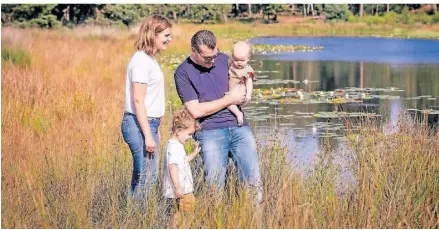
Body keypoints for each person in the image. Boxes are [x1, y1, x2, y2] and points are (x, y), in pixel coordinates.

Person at [174, 30, 263, 204]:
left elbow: (243, 81)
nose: (213, 60)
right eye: (208, 58)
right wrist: (228, 99)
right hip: (209, 131)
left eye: (215, 55)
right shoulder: (183, 73)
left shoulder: (224, 59)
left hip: (239, 127)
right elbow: (196, 111)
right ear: (194, 51)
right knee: (215, 188)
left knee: (254, 183)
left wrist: (246, 91)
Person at [121, 15, 172, 200]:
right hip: (138, 124)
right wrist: (148, 135)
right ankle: (139, 220)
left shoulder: (149, 59)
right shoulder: (141, 61)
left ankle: (130, 217)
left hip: (148, 124)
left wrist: (154, 130)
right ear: (153, 34)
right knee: (147, 177)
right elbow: (138, 100)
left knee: (142, 175)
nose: (169, 39)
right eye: (166, 35)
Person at [163, 107, 200, 218]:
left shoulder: (176, 145)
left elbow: (182, 161)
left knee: (178, 216)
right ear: (178, 131)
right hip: (180, 191)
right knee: (183, 216)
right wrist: (178, 187)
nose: (190, 137)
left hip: (179, 191)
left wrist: (194, 153)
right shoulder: (174, 147)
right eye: (189, 134)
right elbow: (172, 167)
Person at [227, 41, 255, 126]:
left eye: (242, 60)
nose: (239, 62)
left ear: (248, 58)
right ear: (232, 57)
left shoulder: (247, 70)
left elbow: (249, 83)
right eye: (236, 60)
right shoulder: (231, 64)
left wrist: (248, 95)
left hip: (240, 93)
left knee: (227, 102)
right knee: (225, 100)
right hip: (231, 91)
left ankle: (238, 114)